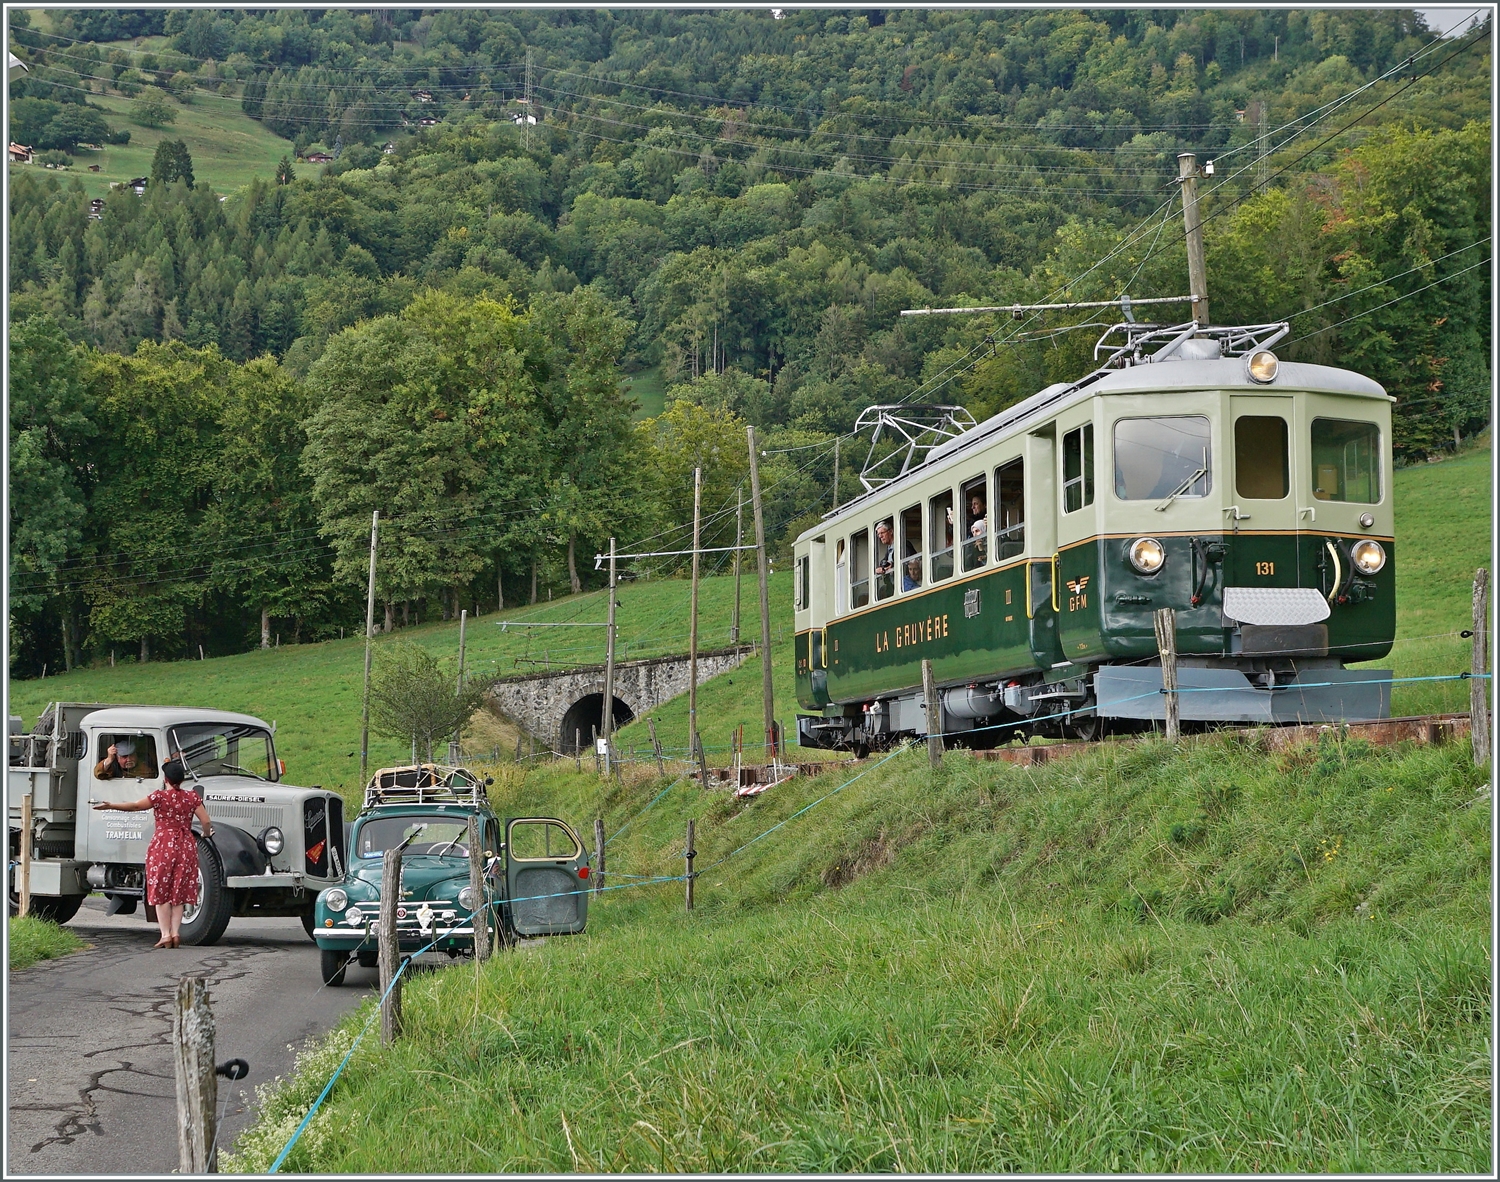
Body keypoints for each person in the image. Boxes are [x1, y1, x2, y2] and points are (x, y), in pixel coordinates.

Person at [92, 759, 210, 948]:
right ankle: (176, 933)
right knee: (178, 891)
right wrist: (205, 833)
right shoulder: (192, 798)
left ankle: (165, 935)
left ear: (166, 779)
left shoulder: (159, 797)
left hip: (163, 845)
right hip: (185, 845)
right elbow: (205, 821)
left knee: (161, 889)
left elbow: (135, 806)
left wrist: (111, 805)